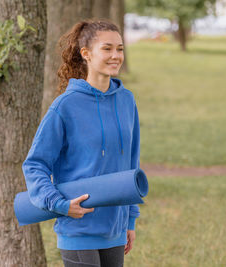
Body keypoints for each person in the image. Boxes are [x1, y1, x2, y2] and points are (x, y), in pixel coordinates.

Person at [22, 19, 141, 267]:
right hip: (78, 227)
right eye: (107, 49)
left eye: (119, 48)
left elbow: (131, 163)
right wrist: (59, 205)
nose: (116, 55)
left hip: (115, 229)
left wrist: (129, 221)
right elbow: (34, 164)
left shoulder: (127, 101)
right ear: (86, 54)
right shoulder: (65, 106)